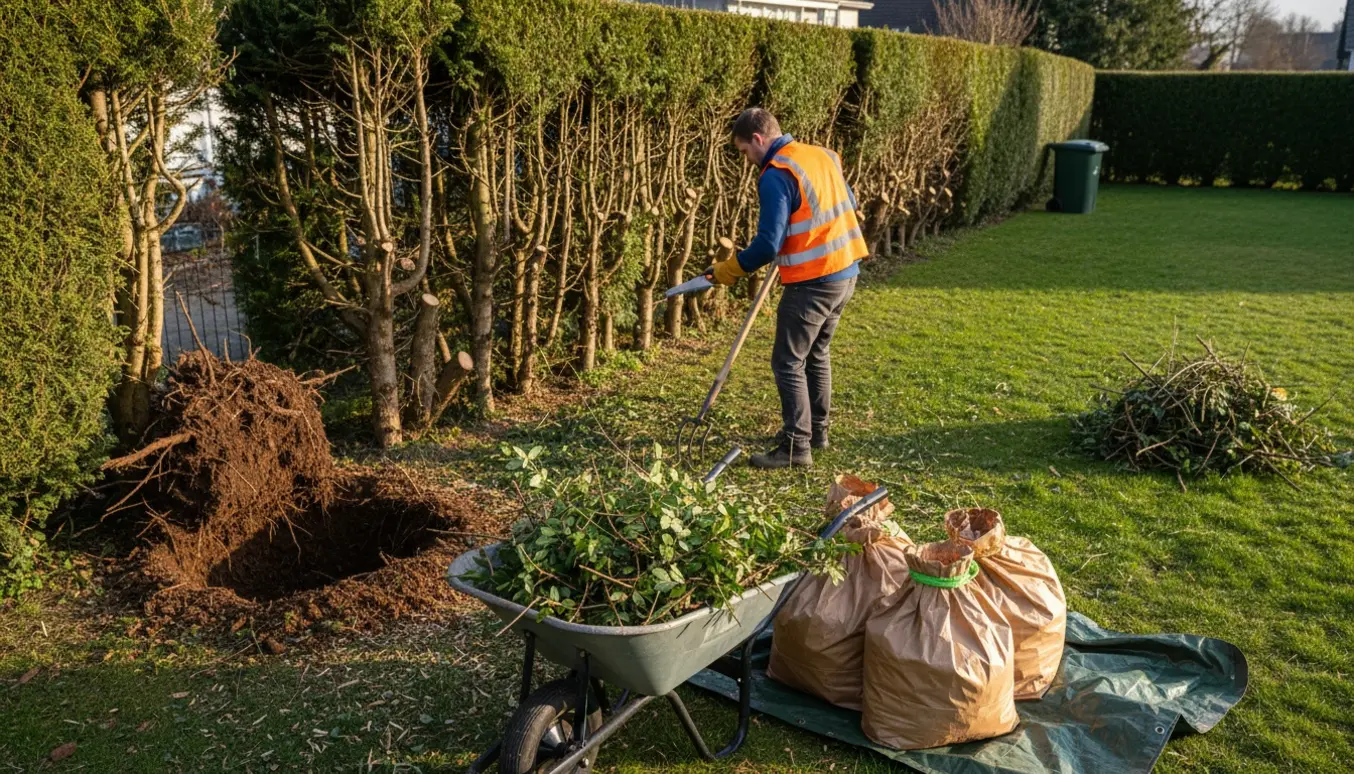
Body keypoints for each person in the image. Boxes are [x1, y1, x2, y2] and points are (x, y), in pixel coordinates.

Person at [707, 107, 867, 469]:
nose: (747, 160)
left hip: (813, 282)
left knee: (787, 361)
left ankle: (796, 446)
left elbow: (767, 245)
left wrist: (729, 270)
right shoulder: (822, 156)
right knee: (817, 353)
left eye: (745, 151)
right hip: (846, 272)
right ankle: (817, 432)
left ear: (758, 139)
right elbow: (849, 203)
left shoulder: (776, 173)